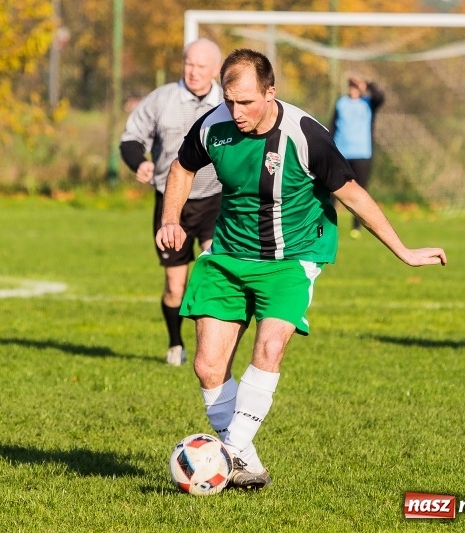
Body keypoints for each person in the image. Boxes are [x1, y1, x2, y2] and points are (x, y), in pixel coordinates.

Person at [156, 49, 446, 490]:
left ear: (271, 92)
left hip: (292, 260)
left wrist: (403, 250)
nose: (236, 112)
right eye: (230, 100)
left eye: (247, 102)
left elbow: (354, 195)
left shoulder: (305, 134)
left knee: (269, 349)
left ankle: (226, 455)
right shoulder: (213, 125)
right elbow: (182, 167)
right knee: (207, 368)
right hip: (229, 255)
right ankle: (244, 462)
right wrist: (171, 219)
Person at [120, 38, 224, 366]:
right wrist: (140, 162)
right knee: (174, 285)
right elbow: (130, 138)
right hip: (171, 204)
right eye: (188, 64)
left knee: (212, 271)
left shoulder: (227, 103)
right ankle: (176, 343)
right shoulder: (162, 99)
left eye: (201, 66)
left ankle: (213, 349)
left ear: (216, 70)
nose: (193, 72)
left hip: (215, 200)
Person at [330, 75, 385, 239]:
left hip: (362, 153)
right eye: (351, 85)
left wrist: (367, 83)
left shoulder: (368, 103)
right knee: (333, 190)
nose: (353, 88)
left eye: (356, 85)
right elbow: (332, 125)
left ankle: (357, 226)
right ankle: (330, 225)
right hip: (341, 152)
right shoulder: (341, 103)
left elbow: (380, 97)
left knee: (360, 191)